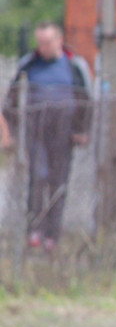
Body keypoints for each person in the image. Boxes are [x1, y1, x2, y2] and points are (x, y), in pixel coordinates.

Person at [2, 22, 93, 252]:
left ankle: (53, 236)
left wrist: (82, 130)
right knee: (38, 176)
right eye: (40, 43)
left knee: (58, 181)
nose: (43, 47)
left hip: (64, 134)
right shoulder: (30, 64)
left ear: (59, 41)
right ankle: (35, 231)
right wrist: (7, 131)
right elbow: (11, 99)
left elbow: (86, 100)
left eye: (47, 43)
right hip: (36, 132)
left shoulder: (74, 66)